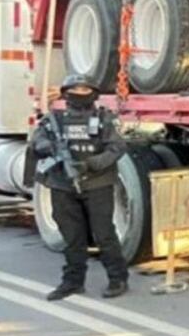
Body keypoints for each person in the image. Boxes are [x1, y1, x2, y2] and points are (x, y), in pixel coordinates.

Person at [31, 75, 130, 300]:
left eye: (86, 89)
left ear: (94, 93)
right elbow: (37, 142)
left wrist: (91, 164)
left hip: (97, 184)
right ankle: (73, 282)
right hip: (62, 185)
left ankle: (117, 278)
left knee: (104, 234)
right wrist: (50, 148)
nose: (81, 93)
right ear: (66, 93)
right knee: (72, 236)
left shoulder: (103, 119)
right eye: (76, 89)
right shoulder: (53, 120)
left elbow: (117, 147)